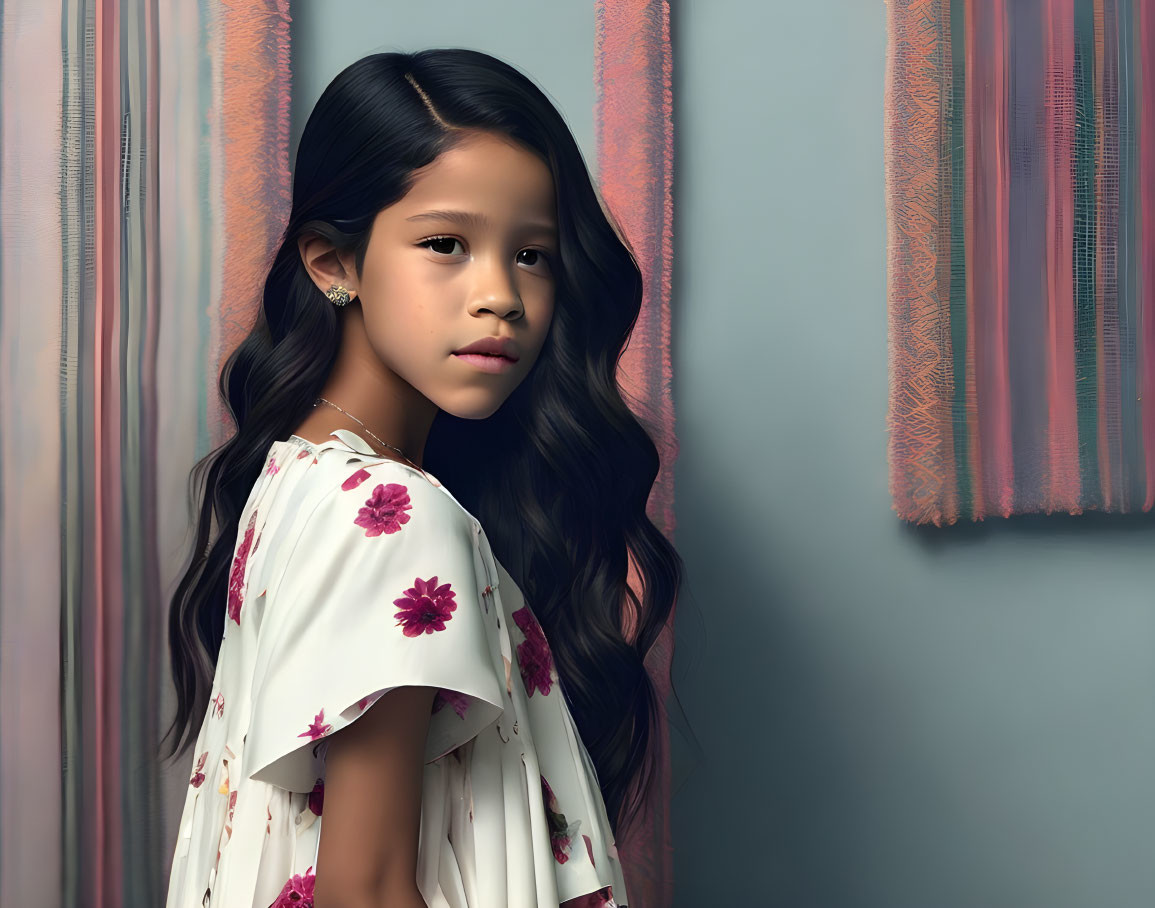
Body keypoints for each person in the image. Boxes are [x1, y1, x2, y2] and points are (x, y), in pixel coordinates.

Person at [161, 48, 683, 908]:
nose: (499, 297)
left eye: (532, 255)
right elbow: (360, 894)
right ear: (333, 264)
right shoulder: (392, 515)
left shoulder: (297, 484)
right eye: (446, 244)